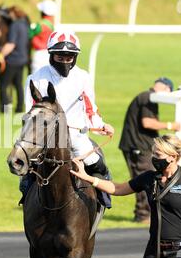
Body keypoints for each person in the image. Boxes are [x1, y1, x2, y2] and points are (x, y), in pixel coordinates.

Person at [70, 134, 181, 258]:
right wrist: (88, 178)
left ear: (172, 157)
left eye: (158, 154)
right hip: (154, 250)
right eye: (153, 153)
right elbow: (117, 188)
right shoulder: (149, 178)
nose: (153, 157)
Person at [19, 30, 115, 203]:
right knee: (27, 167)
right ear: (51, 55)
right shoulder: (36, 78)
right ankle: (26, 197)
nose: (64, 61)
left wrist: (101, 125)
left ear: (75, 57)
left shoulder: (83, 77)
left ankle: (103, 197)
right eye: (60, 57)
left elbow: (90, 108)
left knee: (96, 161)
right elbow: (31, 112)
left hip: (76, 135)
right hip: (44, 136)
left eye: (69, 58)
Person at [119, 77, 181, 224]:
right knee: (143, 180)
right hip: (138, 147)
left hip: (140, 146)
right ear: (165, 88)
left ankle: (145, 213)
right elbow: (147, 122)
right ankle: (142, 215)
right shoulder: (148, 97)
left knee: (147, 179)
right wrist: (171, 125)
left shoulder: (147, 97)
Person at [0, 6, 29, 113]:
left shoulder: (15, 25)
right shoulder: (24, 24)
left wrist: (1, 54)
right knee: (18, 84)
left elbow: (11, 44)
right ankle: (20, 108)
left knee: (2, 84)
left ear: (13, 14)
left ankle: (4, 108)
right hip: (22, 59)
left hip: (12, 60)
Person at [29, 0, 56, 73]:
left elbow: (29, 35)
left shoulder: (40, 25)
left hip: (39, 54)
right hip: (49, 54)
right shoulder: (52, 24)